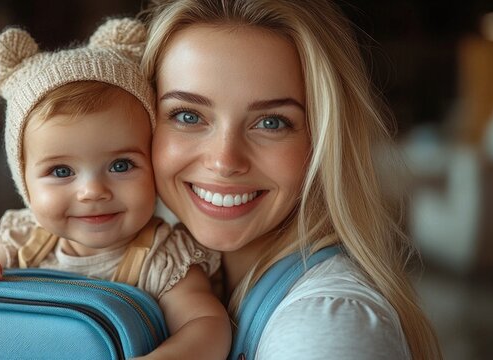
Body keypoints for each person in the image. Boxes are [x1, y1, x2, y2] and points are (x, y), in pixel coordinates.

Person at [140, 0, 443, 359]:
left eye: (271, 122)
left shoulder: (323, 328)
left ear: (323, 140)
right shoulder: (169, 274)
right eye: (188, 116)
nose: (224, 161)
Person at [0, 18, 231, 359]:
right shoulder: (23, 240)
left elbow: (207, 324)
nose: (93, 191)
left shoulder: (161, 258)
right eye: (61, 171)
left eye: (121, 165)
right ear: (24, 182)